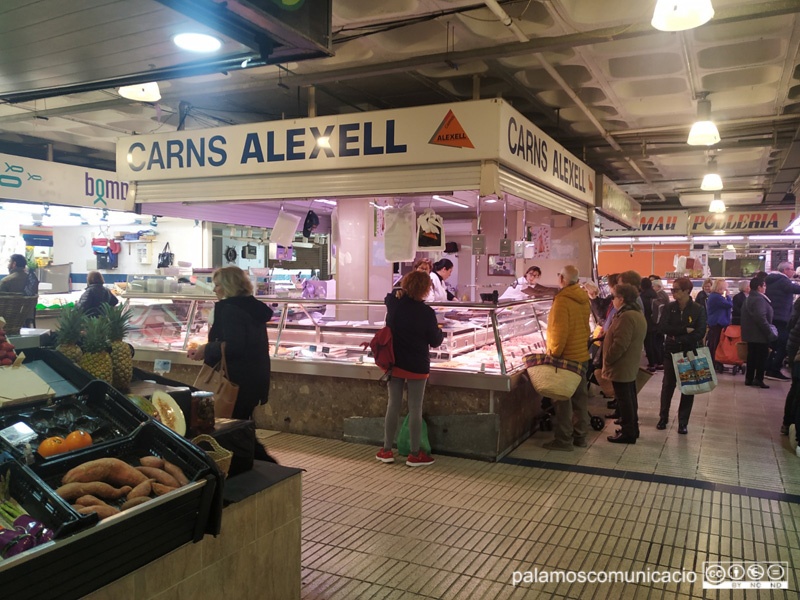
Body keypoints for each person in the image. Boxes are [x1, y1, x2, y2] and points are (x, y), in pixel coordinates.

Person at [188, 266, 274, 431]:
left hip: (233, 380)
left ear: (230, 286)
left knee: (230, 429)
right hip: (255, 378)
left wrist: (205, 349)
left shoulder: (229, 309)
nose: (214, 289)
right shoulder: (253, 307)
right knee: (242, 425)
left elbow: (234, 346)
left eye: (218, 285)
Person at [377, 270, 444, 466]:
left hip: (394, 362)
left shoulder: (395, 306)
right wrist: (439, 332)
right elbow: (435, 341)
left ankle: (387, 450)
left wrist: (399, 292)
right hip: (417, 365)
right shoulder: (427, 313)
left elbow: (388, 297)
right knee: (415, 409)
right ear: (425, 290)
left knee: (393, 406)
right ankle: (415, 454)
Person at [542, 265, 591, 451]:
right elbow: (586, 328)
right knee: (580, 399)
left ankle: (563, 440)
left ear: (562, 279)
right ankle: (581, 436)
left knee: (563, 400)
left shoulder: (562, 300)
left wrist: (553, 355)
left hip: (566, 359)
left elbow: (558, 333)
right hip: (581, 355)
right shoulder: (583, 298)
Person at [658, 277, 707, 434]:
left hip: (689, 351)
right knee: (668, 386)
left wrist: (679, 337)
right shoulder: (669, 307)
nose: (673, 292)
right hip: (671, 351)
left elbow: (700, 332)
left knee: (688, 388)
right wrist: (684, 330)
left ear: (687, 291)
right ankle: (663, 417)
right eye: (672, 289)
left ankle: (683, 422)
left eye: (676, 289)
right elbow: (663, 327)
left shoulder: (698, 309)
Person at [602, 283, 647, 444]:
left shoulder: (627, 316)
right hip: (628, 364)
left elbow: (620, 344)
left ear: (621, 299)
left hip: (622, 364)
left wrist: (608, 358)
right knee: (628, 397)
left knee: (625, 400)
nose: (612, 300)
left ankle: (628, 432)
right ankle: (631, 429)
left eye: (613, 297)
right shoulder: (634, 313)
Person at [764, 262, 800, 381]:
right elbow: (795, 289)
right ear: (785, 270)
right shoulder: (782, 280)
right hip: (781, 317)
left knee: (774, 344)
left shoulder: (772, 280)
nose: (793, 272)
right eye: (791, 269)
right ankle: (774, 369)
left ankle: (768, 368)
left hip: (775, 316)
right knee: (784, 343)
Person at [742, 277, 774, 389]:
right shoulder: (759, 299)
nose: (765, 288)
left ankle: (749, 378)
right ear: (759, 287)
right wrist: (768, 331)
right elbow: (760, 317)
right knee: (761, 357)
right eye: (764, 286)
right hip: (759, 334)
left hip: (751, 333)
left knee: (751, 356)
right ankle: (758, 379)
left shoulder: (750, 298)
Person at [782, 296, 800, 437]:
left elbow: (790, 324)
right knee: (797, 388)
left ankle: (787, 423)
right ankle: (791, 424)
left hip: (794, 345)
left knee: (795, 386)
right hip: (797, 347)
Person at [706, 278, 733, 373]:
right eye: (724, 288)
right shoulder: (716, 297)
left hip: (716, 322)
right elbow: (729, 305)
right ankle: (714, 363)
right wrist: (728, 296)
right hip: (717, 323)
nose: (725, 290)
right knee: (715, 344)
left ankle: (716, 363)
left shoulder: (714, 296)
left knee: (715, 343)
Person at [640, 277, 658, 372]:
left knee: (648, 344)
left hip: (647, 322)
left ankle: (651, 364)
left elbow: (643, 310)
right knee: (654, 343)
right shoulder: (654, 294)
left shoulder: (643, 297)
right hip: (655, 322)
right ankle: (657, 362)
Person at [650, 278, 670, 370]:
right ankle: (661, 361)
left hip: (658, 323)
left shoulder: (659, 296)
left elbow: (658, 311)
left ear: (658, 286)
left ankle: (660, 361)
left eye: (653, 286)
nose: (652, 288)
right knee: (660, 342)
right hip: (663, 322)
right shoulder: (663, 294)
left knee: (657, 343)